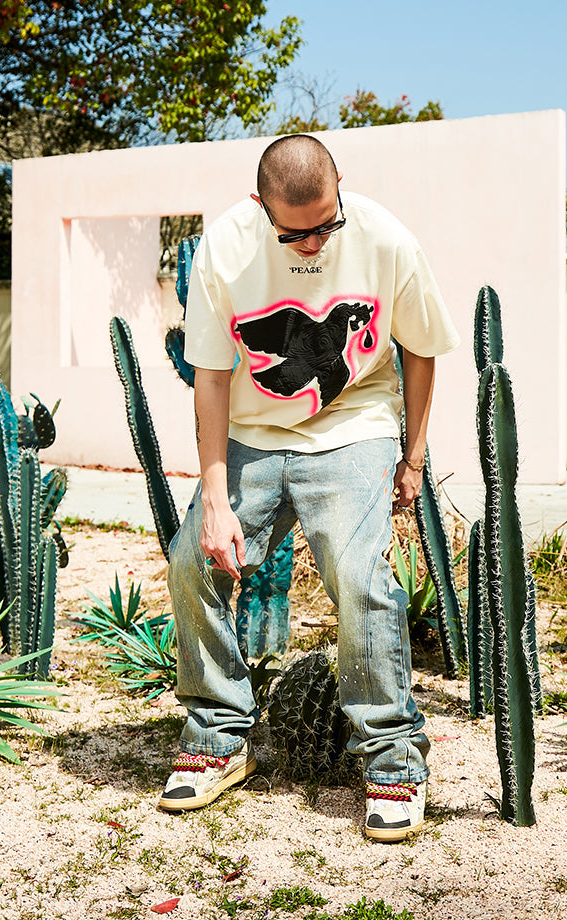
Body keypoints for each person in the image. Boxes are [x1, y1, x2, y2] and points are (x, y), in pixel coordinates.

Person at [160, 134, 459, 842]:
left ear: (340, 190)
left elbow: (420, 349)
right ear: (260, 206)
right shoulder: (225, 249)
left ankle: (392, 756)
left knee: (359, 576)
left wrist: (411, 458)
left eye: (327, 223)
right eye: (296, 232)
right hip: (252, 433)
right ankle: (217, 732)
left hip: (353, 425)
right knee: (190, 558)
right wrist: (212, 496)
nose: (316, 242)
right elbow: (207, 375)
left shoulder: (385, 239)